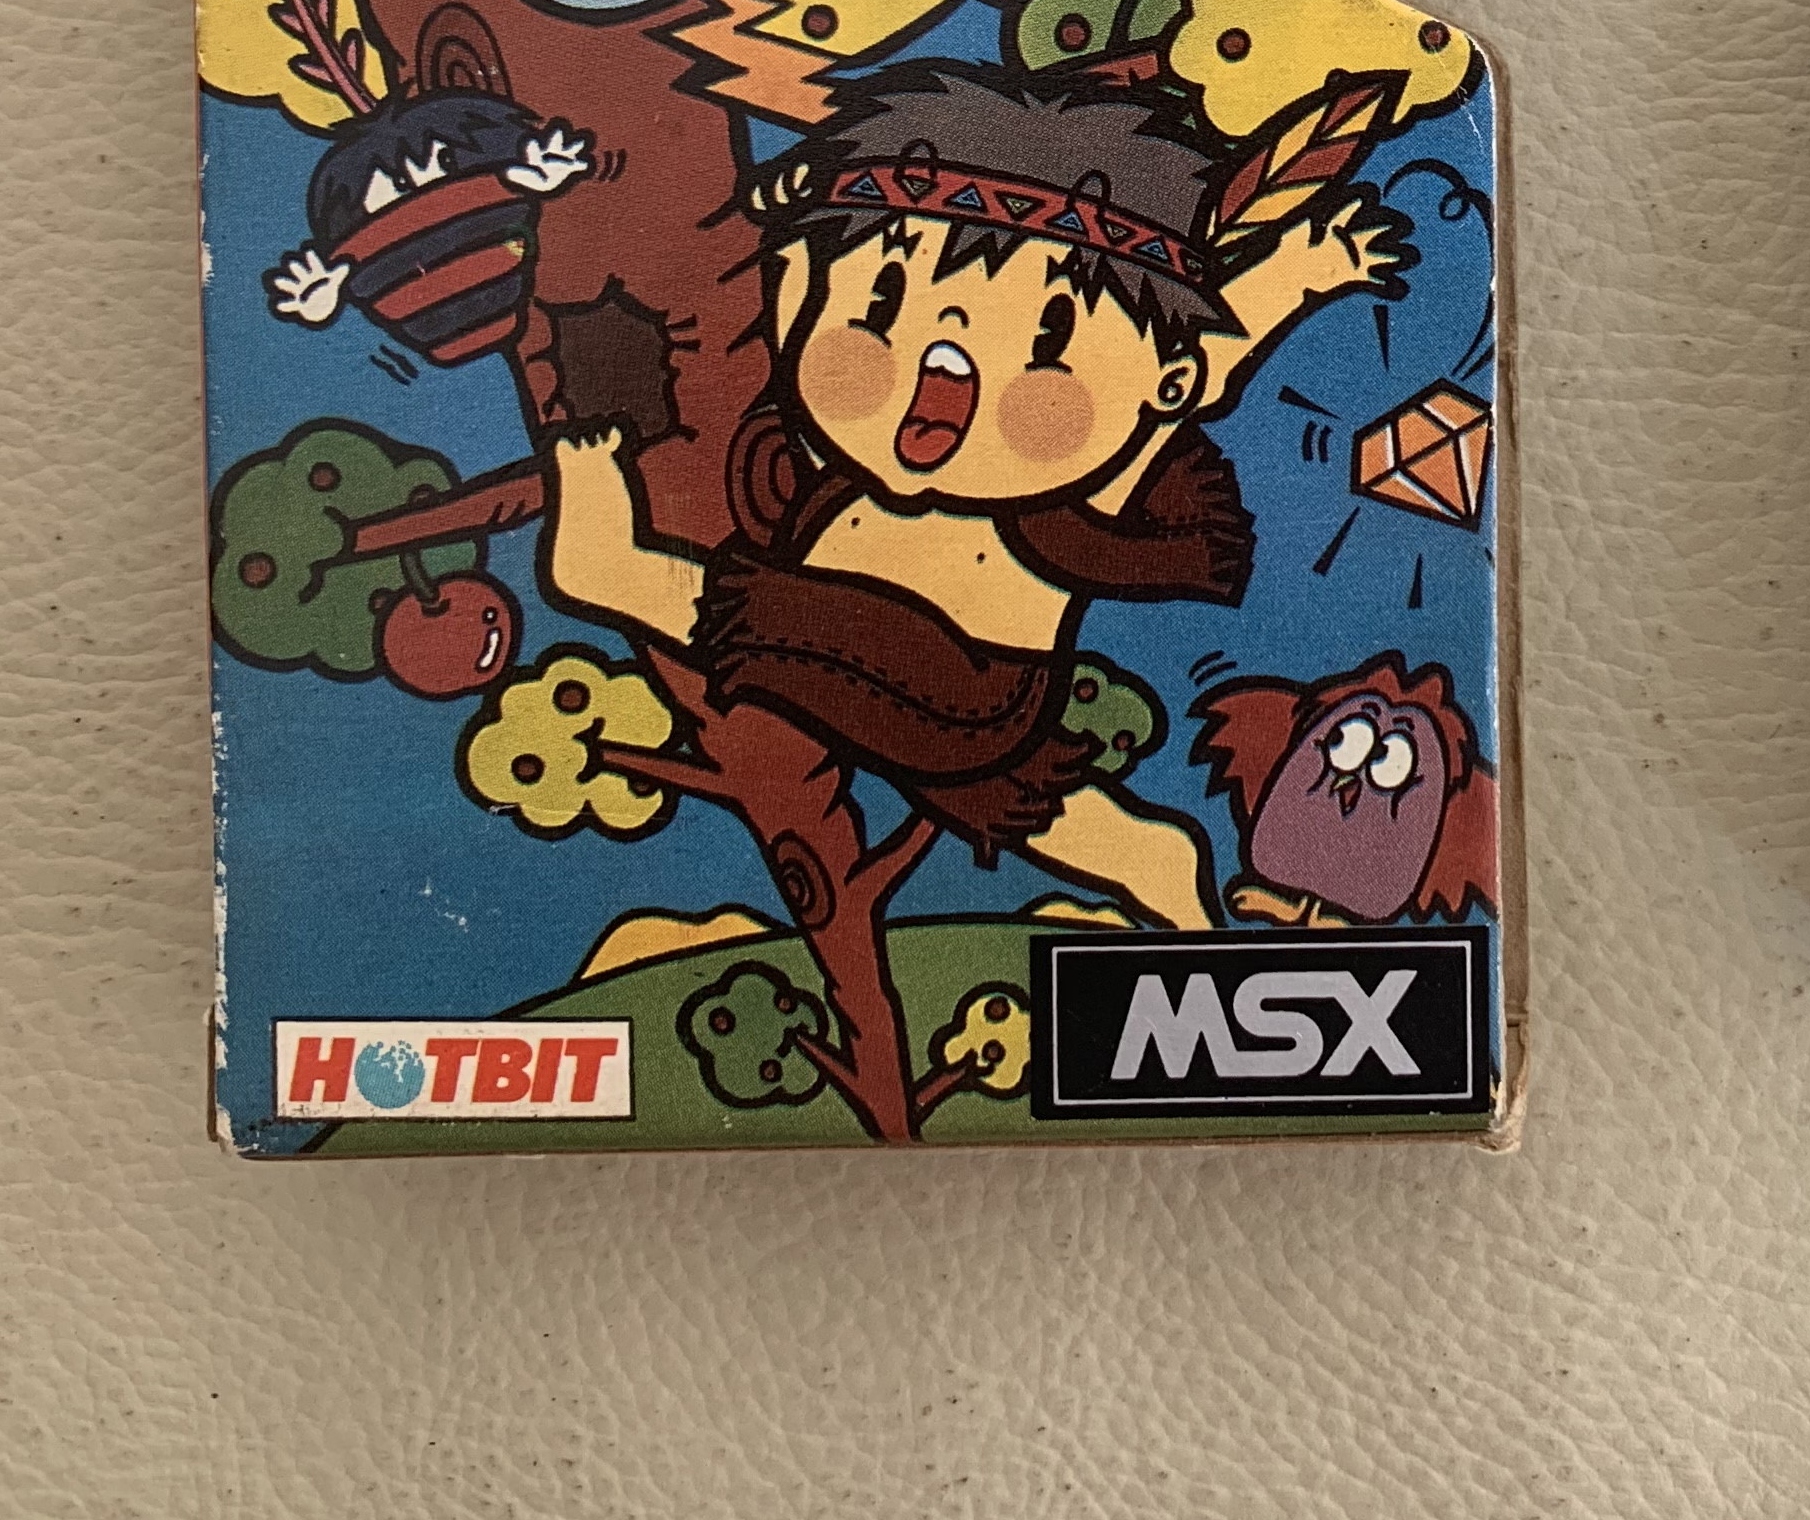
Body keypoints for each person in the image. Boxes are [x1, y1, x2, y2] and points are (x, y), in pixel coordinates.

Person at [542, 65, 1405, 928]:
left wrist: (1295, 274)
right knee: (1129, 847)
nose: (941, 357)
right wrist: (801, 230)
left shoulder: (1099, 478)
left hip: (948, 680)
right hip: (838, 637)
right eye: (885, 302)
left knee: (639, 578)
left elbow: (1202, 365)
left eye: (1047, 339)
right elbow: (806, 303)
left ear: (1167, 381)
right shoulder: (832, 424)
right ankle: (1176, 888)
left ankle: (597, 520)